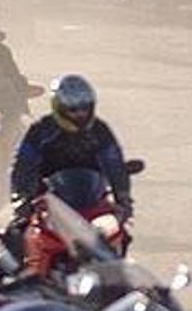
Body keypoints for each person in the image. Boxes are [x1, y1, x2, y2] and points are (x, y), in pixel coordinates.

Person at [10, 74, 132, 216]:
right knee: (13, 233)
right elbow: (24, 163)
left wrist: (122, 197)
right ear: (59, 107)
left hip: (94, 202)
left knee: (120, 233)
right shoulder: (41, 130)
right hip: (47, 203)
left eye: (84, 109)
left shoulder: (100, 130)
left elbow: (113, 162)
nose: (80, 115)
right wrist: (22, 196)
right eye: (73, 110)